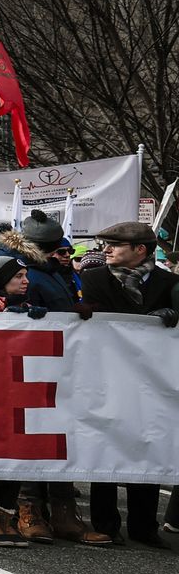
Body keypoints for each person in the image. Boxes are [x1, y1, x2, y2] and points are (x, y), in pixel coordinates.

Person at [78, 221, 179, 547]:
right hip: (106, 378)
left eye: (114, 245)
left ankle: (144, 526)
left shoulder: (170, 283)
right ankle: (105, 523)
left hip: (152, 382)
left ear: (140, 250)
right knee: (105, 446)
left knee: (147, 445)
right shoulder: (93, 278)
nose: (106, 250)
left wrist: (172, 315)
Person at [0, 254, 68, 547]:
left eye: (25, 276)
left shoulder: (27, 306)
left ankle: (7, 516)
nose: (26, 281)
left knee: (16, 457)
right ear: (1, 280)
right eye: (18, 277)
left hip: (18, 391)